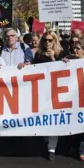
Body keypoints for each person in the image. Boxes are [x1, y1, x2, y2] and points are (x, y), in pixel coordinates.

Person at [32, 31, 66, 160]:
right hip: (43, 91)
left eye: (51, 40)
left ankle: (51, 149)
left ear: (55, 41)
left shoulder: (61, 54)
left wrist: (53, 59)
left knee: (54, 119)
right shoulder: (39, 55)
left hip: (57, 91)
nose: (48, 42)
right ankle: (47, 139)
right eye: (45, 40)